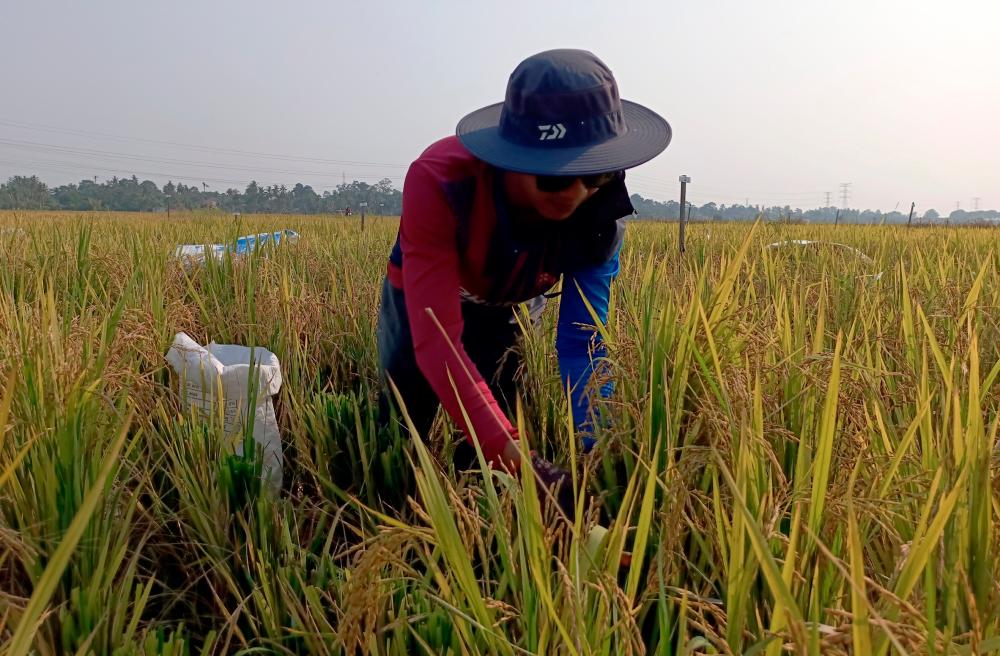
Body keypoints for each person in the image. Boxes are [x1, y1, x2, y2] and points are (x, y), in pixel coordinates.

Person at [376, 49, 671, 502]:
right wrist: (526, 463)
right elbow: (437, 340)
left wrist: (599, 452)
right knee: (402, 422)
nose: (574, 194)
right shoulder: (441, 181)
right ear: (514, 158)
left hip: (509, 301)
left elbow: (582, 343)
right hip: (428, 297)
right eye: (553, 177)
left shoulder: (601, 220)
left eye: (594, 175)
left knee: (498, 426)